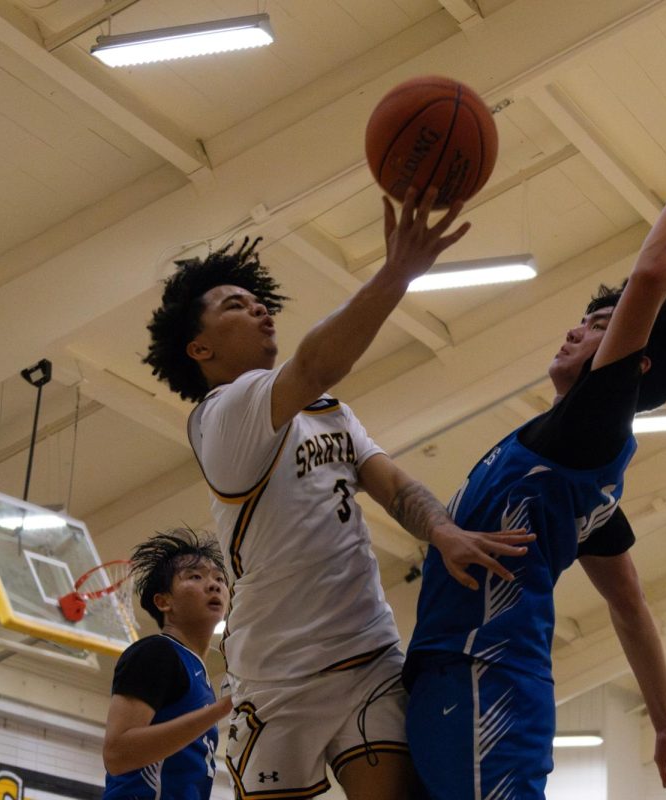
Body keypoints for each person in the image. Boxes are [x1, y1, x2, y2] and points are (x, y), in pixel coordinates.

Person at [404, 115, 666, 799]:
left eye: (602, 326)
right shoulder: (571, 471)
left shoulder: (589, 431)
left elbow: (654, 272)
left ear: (635, 362)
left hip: (487, 680)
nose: (578, 328)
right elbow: (629, 603)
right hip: (443, 673)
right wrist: (665, 718)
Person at [143, 189, 534, 800]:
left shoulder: (329, 413)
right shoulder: (222, 415)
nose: (262, 311)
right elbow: (318, 362)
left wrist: (443, 531)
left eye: (261, 302)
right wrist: (398, 273)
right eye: (237, 307)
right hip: (279, 677)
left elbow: (391, 483)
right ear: (201, 349)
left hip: (367, 658)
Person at [102, 530, 232, 800]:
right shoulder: (156, 653)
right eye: (195, 577)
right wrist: (222, 708)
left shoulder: (199, 674)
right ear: (164, 601)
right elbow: (117, 755)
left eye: (219, 578)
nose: (213, 585)